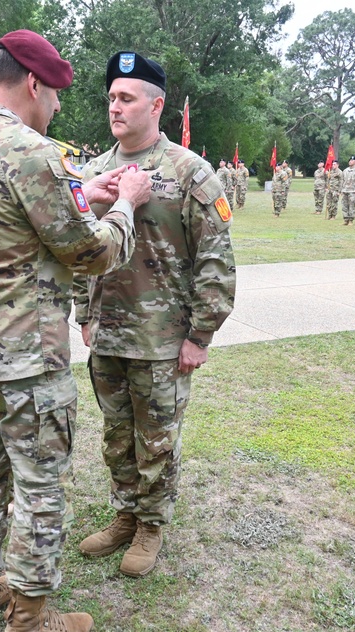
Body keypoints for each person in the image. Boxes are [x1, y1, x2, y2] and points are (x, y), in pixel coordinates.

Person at [0, 30, 152, 632]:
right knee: (39, 485)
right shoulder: (32, 150)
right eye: (55, 95)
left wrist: (88, 196)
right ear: (33, 84)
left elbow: (7, 217)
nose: (57, 107)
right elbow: (89, 254)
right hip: (25, 354)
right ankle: (30, 619)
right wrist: (127, 206)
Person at [75, 51, 235, 583]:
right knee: (117, 435)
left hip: (164, 339)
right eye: (111, 99)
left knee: (157, 440)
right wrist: (83, 312)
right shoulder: (96, 171)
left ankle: (152, 524)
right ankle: (125, 515)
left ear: (157, 104)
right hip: (109, 334)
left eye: (126, 98)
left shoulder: (190, 171)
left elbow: (215, 259)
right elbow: (79, 250)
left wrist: (201, 334)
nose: (115, 108)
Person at [340, 155, 355, 226]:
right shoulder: (345, 170)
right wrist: (341, 189)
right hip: (345, 190)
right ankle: (345, 219)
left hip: (353, 191)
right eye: (350, 160)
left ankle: (351, 220)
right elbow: (342, 180)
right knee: (344, 206)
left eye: (352, 160)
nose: (350, 161)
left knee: (351, 206)